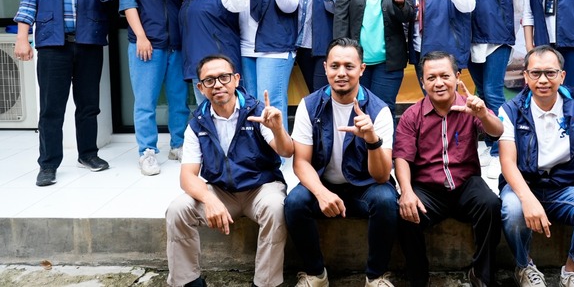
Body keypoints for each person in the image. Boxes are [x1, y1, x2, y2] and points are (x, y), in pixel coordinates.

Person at [165, 54, 293, 287]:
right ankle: (188, 282)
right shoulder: (197, 123)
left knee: (277, 207)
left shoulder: (256, 111)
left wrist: (278, 129)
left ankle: (265, 283)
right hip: (222, 192)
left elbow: (286, 151)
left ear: (236, 79)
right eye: (209, 80)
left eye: (224, 77)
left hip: (260, 188)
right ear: (201, 88)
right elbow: (187, 176)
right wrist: (209, 199)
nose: (218, 85)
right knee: (177, 210)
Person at [498, 45, 574, 287]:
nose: (543, 80)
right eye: (535, 73)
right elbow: (507, 162)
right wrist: (528, 199)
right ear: (526, 76)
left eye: (550, 73)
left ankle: (572, 271)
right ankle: (524, 266)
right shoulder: (510, 110)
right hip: (525, 185)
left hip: (564, 188)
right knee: (512, 209)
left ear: (562, 76)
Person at [285, 38, 398, 287]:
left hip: (364, 187)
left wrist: (372, 140)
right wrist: (321, 193)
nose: (341, 73)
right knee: (294, 202)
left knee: (386, 200)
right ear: (325, 67)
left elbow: (381, 176)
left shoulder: (379, 111)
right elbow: (301, 162)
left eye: (349, 66)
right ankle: (316, 275)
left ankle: (375, 277)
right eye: (335, 66)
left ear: (362, 69)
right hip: (323, 183)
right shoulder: (309, 105)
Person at [14, 0, 117, 187]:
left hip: (89, 43)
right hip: (52, 45)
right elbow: (28, 3)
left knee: (88, 105)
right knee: (51, 108)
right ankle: (48, 164)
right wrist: (23, 38)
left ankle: (88, 154)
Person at [394, 51, 503, 287]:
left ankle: (482, 275)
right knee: (405, 213)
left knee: (491, 204)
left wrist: (483, 114)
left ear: (457, 76)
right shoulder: (412, 115)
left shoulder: (470, 106)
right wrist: (406, 191)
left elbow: (497, 131)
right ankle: (419, 279)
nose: (439, 83)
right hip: (428, 189)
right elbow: (402, 156)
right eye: (431, 78)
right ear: (422, 82)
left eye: (445, 76)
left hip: (466, 185)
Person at [120, 0, 191, 176]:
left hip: (177, 45)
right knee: (145, 102)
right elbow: (129, 4)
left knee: (179, 100)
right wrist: (141, 36)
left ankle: (178, 145)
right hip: (146, 46)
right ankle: (147, 151)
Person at [458, 0, 520, 178]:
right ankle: (486, 143)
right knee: (481, 92)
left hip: (496, 36)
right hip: (471, 35)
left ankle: (500, 151)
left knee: (494, 92)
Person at [219, 0, 298, 131]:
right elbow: (233, 6)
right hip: (246, 48)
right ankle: (258, 148)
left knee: (271, 104)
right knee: (252, 104)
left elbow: (291, 7)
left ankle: (278, 149)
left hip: (274, 48)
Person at [333, 0, 414, 114]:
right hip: (355, 62)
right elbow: (340, 17)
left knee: (383, 111)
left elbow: (408, 16)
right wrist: (341, 54)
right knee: (355, 109)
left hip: (388, 64)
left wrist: (400, 2)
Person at [179, 0, 241, 102]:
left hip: (219, 68)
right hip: (198, 65)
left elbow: (239, 5)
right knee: (206, 113)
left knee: (224, 112)